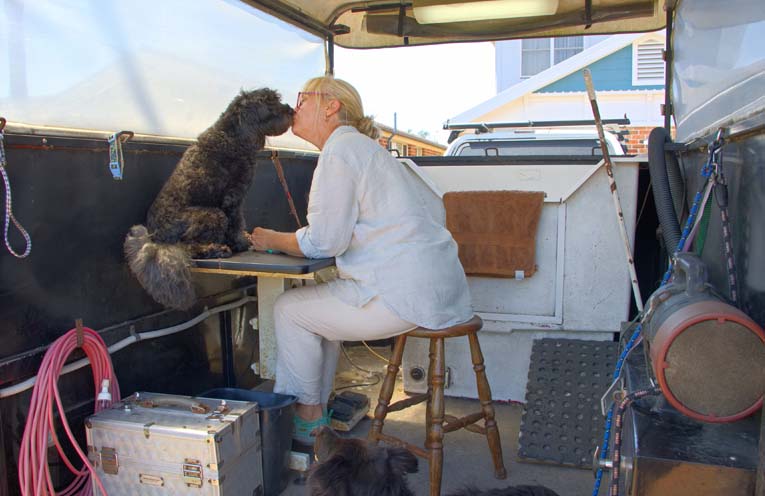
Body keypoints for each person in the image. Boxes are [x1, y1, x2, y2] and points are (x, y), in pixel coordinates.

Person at [250, 75, 472, 444]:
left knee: (289, 310)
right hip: (437, 290)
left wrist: (270, 239)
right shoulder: (363, 148)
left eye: (303, 99)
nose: (294, 108)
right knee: (316, 314)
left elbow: (325, 241)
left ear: (331, 106)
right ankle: (317, 414)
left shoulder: (340, 151)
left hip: (401, 295)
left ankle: (307, 419)